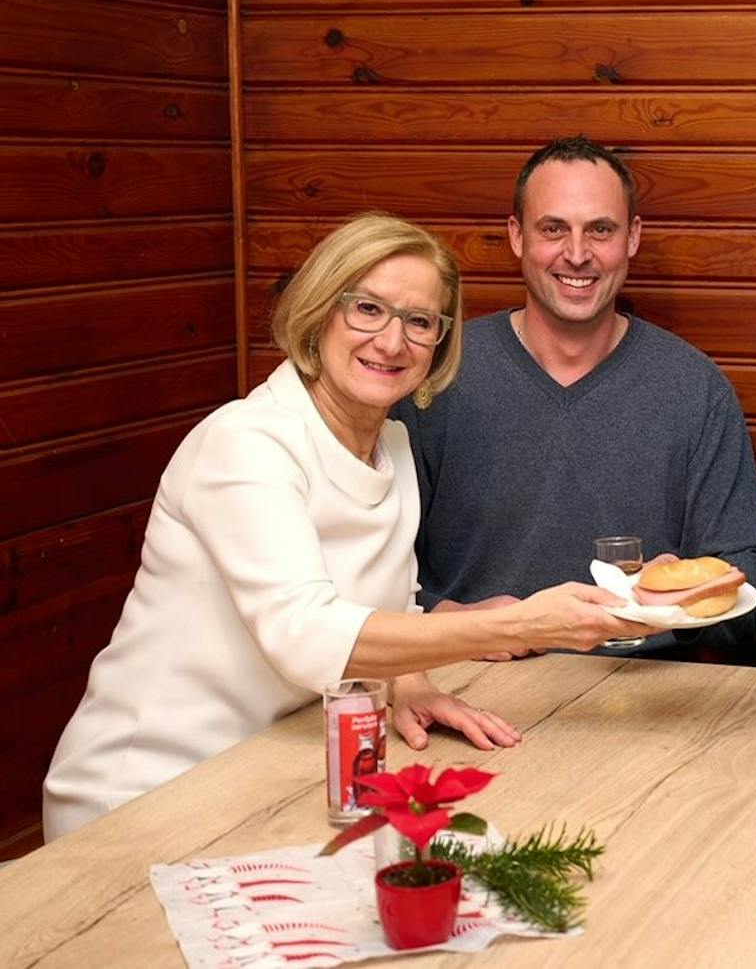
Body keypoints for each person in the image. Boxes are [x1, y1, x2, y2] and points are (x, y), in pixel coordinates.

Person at [43, 213, 650, 841]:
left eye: (420, 322)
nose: (392, 343)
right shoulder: (246, 442)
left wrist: (407, 682)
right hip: (146, 790)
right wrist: (521, 624)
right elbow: (306, 631)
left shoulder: (390, 445)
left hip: (275, 769)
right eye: (367, 309)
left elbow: (389, 606)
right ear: (318, 313)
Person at [393, 136, 756, 657]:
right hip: (470, 680)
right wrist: (447, 616)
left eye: (600, 229)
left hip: (651, 696)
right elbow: (373, 562)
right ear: (517, 236)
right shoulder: (437, 374)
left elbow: (753, 565)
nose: (577, 253)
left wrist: (688, 602)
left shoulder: (694, 388)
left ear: (632, 238)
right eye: (553, 229)